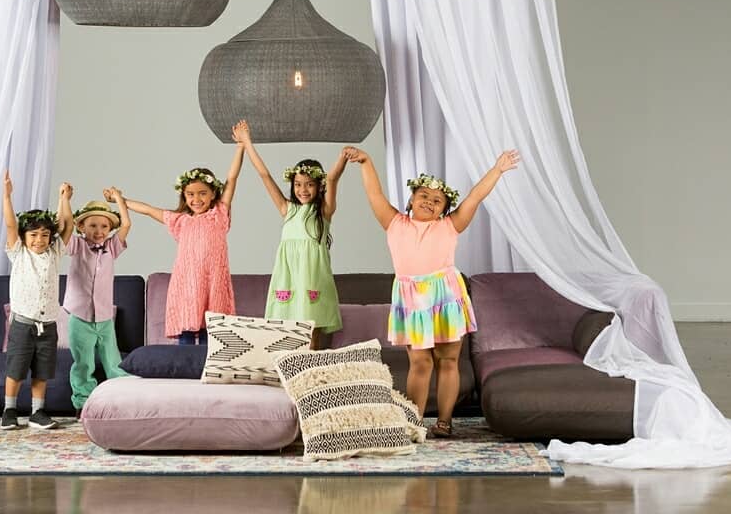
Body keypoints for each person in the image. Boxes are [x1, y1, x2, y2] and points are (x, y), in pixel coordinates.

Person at [345, 147, 520, 438]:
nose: (429, 201)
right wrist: (366, 162)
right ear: (411, 200)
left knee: (448, 361)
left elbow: (475, 196)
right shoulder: (394, 223)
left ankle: (445, 421)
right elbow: (374, 194)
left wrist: (497, 169)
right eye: (424, 196)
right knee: (420, 362)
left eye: (437, 200)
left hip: (445, 296)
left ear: (444, 210)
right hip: (411, 299)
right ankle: (414, 421)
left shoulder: (450, 225)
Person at [118, 140, 245, 344]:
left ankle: (207, 361)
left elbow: (232, 178)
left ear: (213, 193)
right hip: (187, 285)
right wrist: (119, 199)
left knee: (211, 335)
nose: (196, 199)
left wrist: (240, 147)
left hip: (213, 283)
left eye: (202, 193)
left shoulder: (219, 214)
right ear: (184, 196)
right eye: (190, 194)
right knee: (186, 331)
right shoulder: (180, 221)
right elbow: (148, 210)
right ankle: (185, 361)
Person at [234, 119, 344, 339]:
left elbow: (332, 179)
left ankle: (311, 360)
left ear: (319, 186)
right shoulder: (288, 209)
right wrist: (247, 142)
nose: (303, 189)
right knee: (290, 328)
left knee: (312, 325)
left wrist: (343, 158)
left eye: (309, 184)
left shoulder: (324, 211)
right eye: (298, 184)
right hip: (289, 275)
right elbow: (264, 175)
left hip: (313, 276)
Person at [0, 169, 72, 430]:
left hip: (48, 325)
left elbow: (66, 226)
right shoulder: (19, 253)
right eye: (33, 235)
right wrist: (7, 196)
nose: (39, 240)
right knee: (16, 369)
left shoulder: (54, 253)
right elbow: (11, 225)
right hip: (23, 324)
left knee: (42, 371)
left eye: (44, 235)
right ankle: (9, 410)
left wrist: (64, 199)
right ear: (23, 237)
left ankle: (37, 412)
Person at [61, 190, 131, 417]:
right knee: (83, 363)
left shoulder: (112, 247)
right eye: (92, 225)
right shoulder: (76, 246)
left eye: (104, 226)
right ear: (81, 226)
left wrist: (118, 199)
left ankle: (123, 399)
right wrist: (65, 200)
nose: (98, 231)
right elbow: (65, 227)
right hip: (79, 316)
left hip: (104, 317)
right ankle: (82, 403)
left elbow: (126, 224)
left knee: (113, 362)